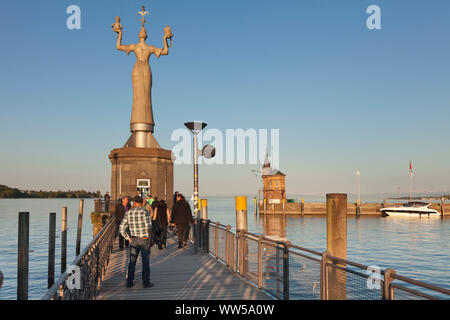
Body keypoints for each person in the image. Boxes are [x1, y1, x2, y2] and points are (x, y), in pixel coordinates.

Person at [119, 195, 153, 288]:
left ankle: (130, 282)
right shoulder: (145, 212)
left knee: (132, 261)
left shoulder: (128, 213)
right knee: (145, 261)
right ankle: (146, 282)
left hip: (133, 239)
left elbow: (121, 228)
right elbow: (149, 226)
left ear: (134, 203)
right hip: (144, 239)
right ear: (141, 203)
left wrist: (128, 238)